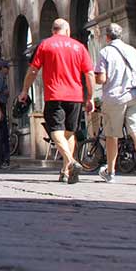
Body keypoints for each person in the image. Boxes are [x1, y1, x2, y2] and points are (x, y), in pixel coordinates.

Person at [22, 18, 94, 184]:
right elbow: (89, 73)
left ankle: (71, 161)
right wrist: (89, 97)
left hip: (55, 95)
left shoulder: (45, 45)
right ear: (67, 30)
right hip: (75, 96)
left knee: (56, 130)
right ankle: (65, 171)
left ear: (53, 30)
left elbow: (33, 70)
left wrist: (25, 90)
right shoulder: (79, 47)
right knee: (69, 132)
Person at [93, 21, 136, 186]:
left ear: (107, 37)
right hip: (135, 96)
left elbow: (102, 79)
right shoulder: (132, 50)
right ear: (121, 35)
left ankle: (111, 172)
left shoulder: (105, 52)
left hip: (115, 98)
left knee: (112, 136)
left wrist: (96, 77)